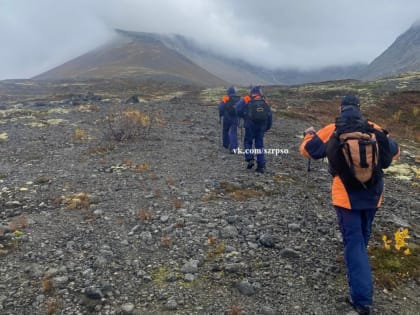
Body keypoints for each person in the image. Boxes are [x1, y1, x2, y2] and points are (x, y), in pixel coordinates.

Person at [299, 95, 400, 315]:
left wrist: (308, 134)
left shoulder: (333, 129)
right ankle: (358, 270)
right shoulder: (373, 127)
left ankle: (361, 299)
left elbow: (309, 151)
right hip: (373, 192)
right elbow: (394, 152)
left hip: (345, 194)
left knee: (353, 241)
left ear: (341, 108)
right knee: (362, 236)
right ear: (359, 108)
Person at [235, 86, 272, 173]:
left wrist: (242, 115)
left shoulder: (247, 99)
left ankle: (250, 159)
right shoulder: (264, 101)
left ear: (251, 92)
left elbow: (237, 108)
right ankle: (261, 165)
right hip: (261, 126)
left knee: (248, 142)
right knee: (259, 145)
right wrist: (267, 127)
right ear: (259, 92)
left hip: (250, 124)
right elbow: (269, 115)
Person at [218, 86, 240, 153]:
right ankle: (233, 148)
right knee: (233, 132)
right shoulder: (238, 98)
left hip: (227, 117)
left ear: (228, 92)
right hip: (235, 117)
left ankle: (226, 144)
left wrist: (221, 114)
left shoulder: (226, 98)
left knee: (225, 130)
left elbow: (221, 107)